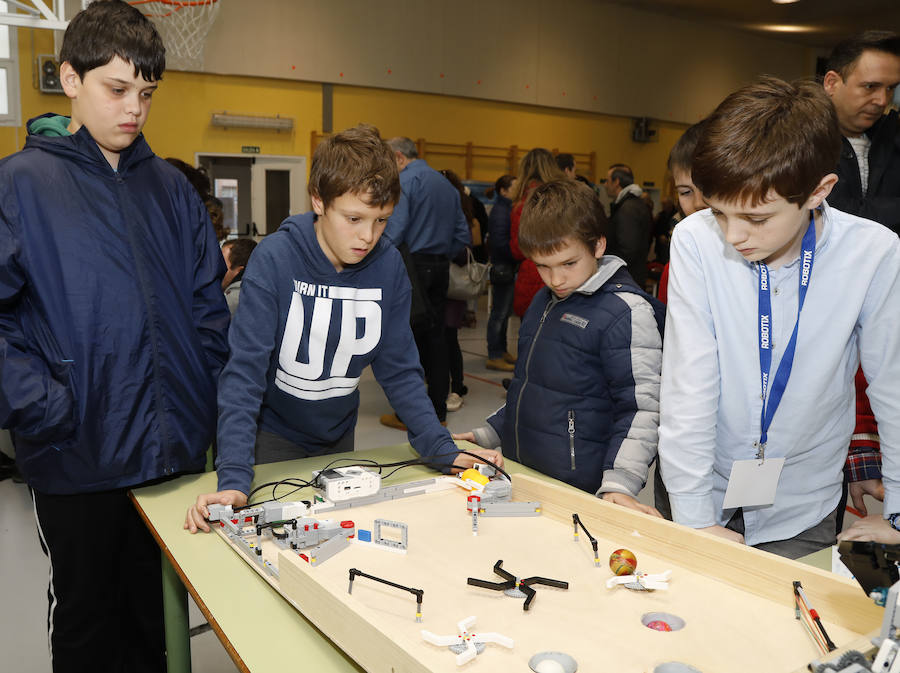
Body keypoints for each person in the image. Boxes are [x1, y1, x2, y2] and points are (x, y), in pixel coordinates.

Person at [0, 2, 231, 671]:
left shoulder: (172, 190)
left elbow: (207, 311)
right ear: (70, 79)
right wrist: (48, 406)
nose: (134, 108)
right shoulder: (20, 186)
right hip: (77, 459)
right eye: (117, 88)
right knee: (85, 624)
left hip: (169, 457)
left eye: (147, 93)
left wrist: (193, 396)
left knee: (155, 622)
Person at [185, 125, 502, 532]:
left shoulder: (388, 267)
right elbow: (244, 374)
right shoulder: (276, 258)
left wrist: (439, 447)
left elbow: (400, 371)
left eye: (381, 220)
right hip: (271, 436)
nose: (367, 236)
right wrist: (232, 479)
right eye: (353, 218)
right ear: (319, 200)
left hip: (338, 436)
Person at [658, 76, 900, 559]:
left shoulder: (872, 253)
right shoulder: (696, 241)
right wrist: (691, 518)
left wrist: (897, 511)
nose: (733, 237)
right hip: (700, 484)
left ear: (818, 191)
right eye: (721, 213)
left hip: (803, 501)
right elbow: (689, 385)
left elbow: (891, 386)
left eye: (757, 219)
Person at [454, 179, 664, 515]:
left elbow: (642, 409)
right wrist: (488, 434)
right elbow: (533, 388)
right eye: (542, 266)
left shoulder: (626, 312)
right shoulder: (544, 300)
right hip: (523, 472)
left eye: (568, 263)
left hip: (582, 488)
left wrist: (620, 484)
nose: (555, 280)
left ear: (598, 246)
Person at [378, 137, 470, 430]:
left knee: (412, 339)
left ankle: (410, 416)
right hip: (440, 266)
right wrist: (442, 252)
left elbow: (396, 228)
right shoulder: (446, 184)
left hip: (413, 267)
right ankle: (438, 412)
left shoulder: (406, 181)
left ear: (398, 157)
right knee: (439, 338)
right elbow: (462, 234)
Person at [823, 30, 900, 234]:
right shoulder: (798, 139)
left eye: (891, 88)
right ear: (832, 83)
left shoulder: (893, 135)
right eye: (870, 86)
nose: (883, 100)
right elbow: (833, 214)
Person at [509, 148, 565, 319]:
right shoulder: (564, 197)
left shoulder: (523, 202)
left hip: (534, 273)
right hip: (565, 271)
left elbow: (518, 249)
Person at [485, 174, 518, 371]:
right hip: (503, 266)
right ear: (504, 191)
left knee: (505, 313)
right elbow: (499, 242)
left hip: (506, 265)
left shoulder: (507, 209)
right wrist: (515, 253)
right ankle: (494, 354)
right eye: (514, 186)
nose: (518, 189)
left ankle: (502, 349)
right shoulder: (501, 211)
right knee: (499, 313)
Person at [604, 163, 653, 289]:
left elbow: (628, 250)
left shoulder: (628, 208)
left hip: (627, 279)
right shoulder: (630, 204)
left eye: (607, 181)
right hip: (630, 277)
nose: (605, 185)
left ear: (616, 182)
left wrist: (606, 268)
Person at [222, 237, 258, 315]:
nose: (216, 270)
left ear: (238, 270)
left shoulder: (232, 300)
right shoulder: (257, 292)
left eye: (221, 264)